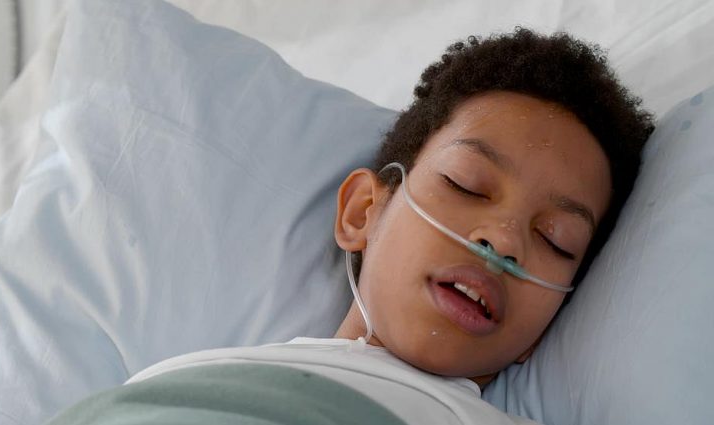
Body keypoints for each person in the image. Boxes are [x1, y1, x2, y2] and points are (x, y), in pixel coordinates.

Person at [46, 28, 654, 425]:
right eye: (467, 184)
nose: (504, 240)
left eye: (555, 240)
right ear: (363, 211)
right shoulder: (178, 378)